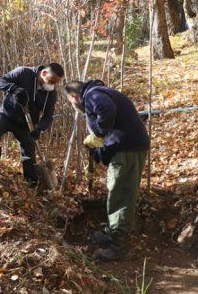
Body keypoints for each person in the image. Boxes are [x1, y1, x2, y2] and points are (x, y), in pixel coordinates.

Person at [63, 79, 150, 261]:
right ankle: (112, 231)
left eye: (71, 102)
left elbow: (107, 110)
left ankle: (119, 246)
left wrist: (99, 134)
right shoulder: (98, 92)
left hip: (128, 149)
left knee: (121, 193)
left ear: (74, 97)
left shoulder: (93, 95)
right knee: (115, 189)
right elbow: (113, 128)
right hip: (125, 147)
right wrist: (98, 152)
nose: (74, 105)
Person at [0, 63, 65, 186]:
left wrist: (39, 129)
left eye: (56, 82)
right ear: (43, 73)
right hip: (6, 114)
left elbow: (48, 116)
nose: (53, 84)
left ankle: (31, 184)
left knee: (29, 157)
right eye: (51, 80)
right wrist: (14, 88)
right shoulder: (23, 73)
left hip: (27, 125)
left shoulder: (51, 94)